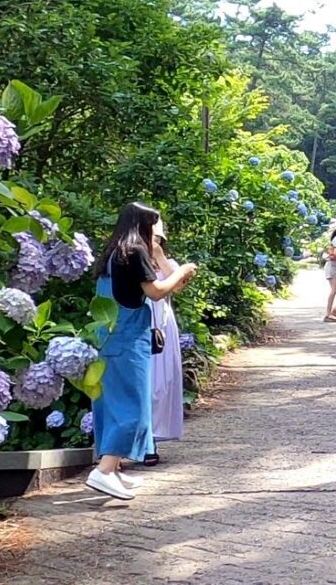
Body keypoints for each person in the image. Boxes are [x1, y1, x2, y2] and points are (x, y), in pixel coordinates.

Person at [87, 202, 196, 500]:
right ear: (144, 225)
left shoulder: (113, 253)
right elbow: (157, 292)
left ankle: (112, 468)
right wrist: (183, 270)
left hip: (106, 337)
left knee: (110, 404)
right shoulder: (135, 251)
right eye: (156, 225)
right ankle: (104, 471)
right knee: (134, 407)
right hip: (128, 340)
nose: (159, 231)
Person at [146, 220, 184, 465]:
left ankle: (153, 438)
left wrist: (159, 256)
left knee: (162, 383)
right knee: (143, 383)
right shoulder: (130, 260)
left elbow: (177, 286)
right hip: (138, 321)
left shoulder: (168, 264)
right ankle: (144, 441)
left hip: (162, 324)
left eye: (158, 239)